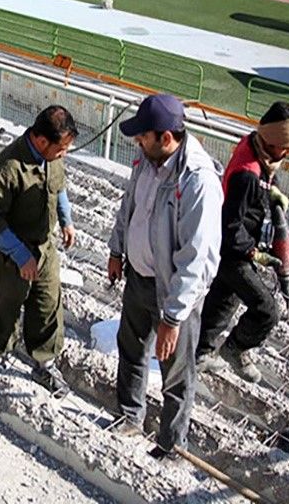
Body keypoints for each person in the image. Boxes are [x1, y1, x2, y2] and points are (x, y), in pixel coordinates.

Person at [106, 94, 222, 457]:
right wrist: (116, 248)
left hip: (173, 292)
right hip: (138, 277)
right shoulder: (147, 158)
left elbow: (196, 257)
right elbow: (130, 204)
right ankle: (128, 417)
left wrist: (173, 316)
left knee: (175, 372)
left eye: (144, 136)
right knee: (132, 350)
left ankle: (171, 446)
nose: (137, 142)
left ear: (166, 137)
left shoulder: (197, 181)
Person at [196, 102, 289, 383]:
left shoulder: (253, 146)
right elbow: (230, 224)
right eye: (285, 147)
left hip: (233, 245)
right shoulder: (247, 174)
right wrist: (254, 253)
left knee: (222, 302)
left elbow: (264, 177)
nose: (288, 153)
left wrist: (271, 189)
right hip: (233, 249)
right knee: (266, 309)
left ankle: (199, 354)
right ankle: (236, 349)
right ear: (270, 140)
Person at [0, 105, 78, 397]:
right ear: (42, 141)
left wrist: (66, 221)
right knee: (6, 304)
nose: (65, 154)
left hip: (44, 245)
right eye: (62, 148)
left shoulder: (52, 157)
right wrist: (21, 256)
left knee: (48, 304)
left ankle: (44, 363)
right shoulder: (9, 167)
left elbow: (58, 189)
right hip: (11, 250)